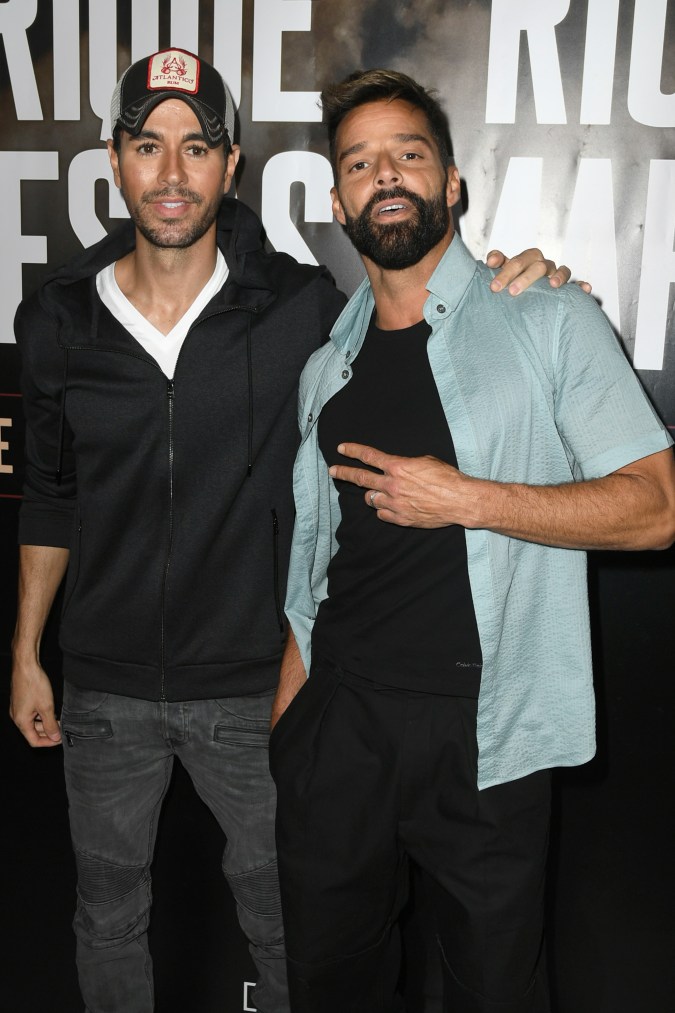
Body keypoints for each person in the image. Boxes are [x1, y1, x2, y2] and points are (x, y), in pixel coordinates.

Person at [8, 50, 567, 1013]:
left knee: (290, 926)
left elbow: (419, 295)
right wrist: (26, 651)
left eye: (197, 147)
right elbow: (51, 495)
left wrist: (533, 275)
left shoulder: (302, 302)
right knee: (106, 914)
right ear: (114, 161)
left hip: (253, 690)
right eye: (148, 146)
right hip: (102, 686)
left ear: (231, 165)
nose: (172, 174)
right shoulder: (59, 315)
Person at [271, 69, 675, 1013]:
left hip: (488, 738)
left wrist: (468, 498)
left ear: (451, 182)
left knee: (494, 991)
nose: (387, 175)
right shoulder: (325, 364)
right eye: (361, 162)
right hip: (339, 730)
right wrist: (291, 730)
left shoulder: (547, 316)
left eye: (409, 153)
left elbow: (654, 507)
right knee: (331, 987)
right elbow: (312, 571)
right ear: (336, 202)